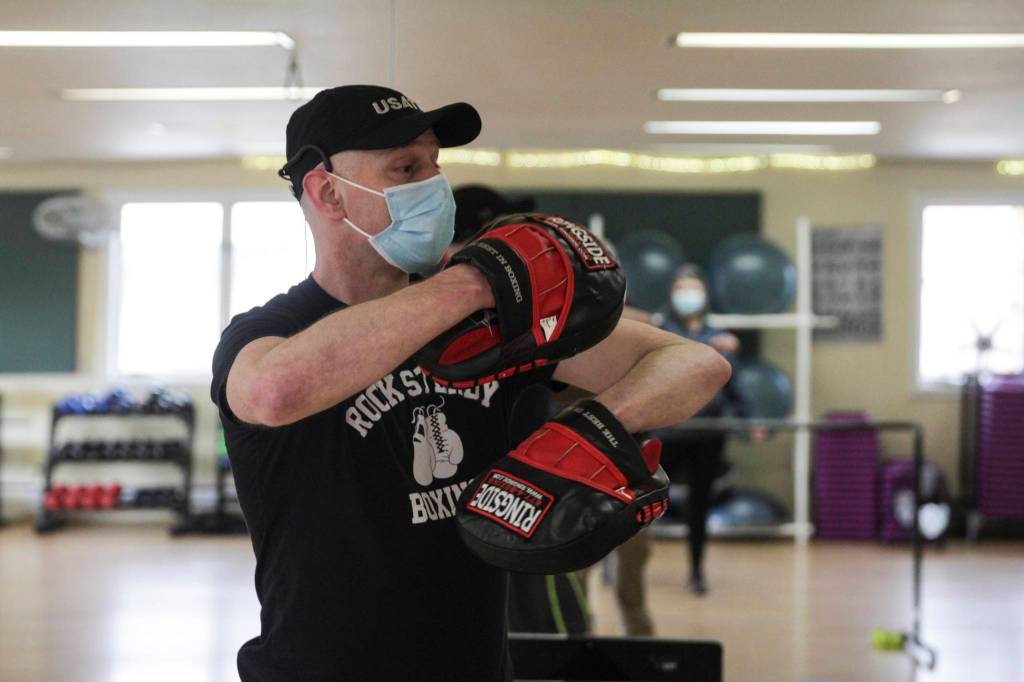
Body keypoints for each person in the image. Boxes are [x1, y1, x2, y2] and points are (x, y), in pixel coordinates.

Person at [211, 85, 731, 682]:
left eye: (436, 164)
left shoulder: (495, 327)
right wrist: (473, 281)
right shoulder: (269, 332)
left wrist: (594, 427)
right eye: (407, 168)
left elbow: (696, 364)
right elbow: (273, 393)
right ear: (328, 191)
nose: (435, 185)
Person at [656, 264, 756, 596]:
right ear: (672, 295)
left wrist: (748, 421)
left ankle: (696, 572)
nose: (688, 295)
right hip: (669, 433)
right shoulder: (660, 333)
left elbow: (734, 385)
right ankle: (622, 564)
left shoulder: (720, 338)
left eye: (693, 288)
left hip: (708, 436)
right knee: (641, 492)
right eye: (681, 288)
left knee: (699, 506)